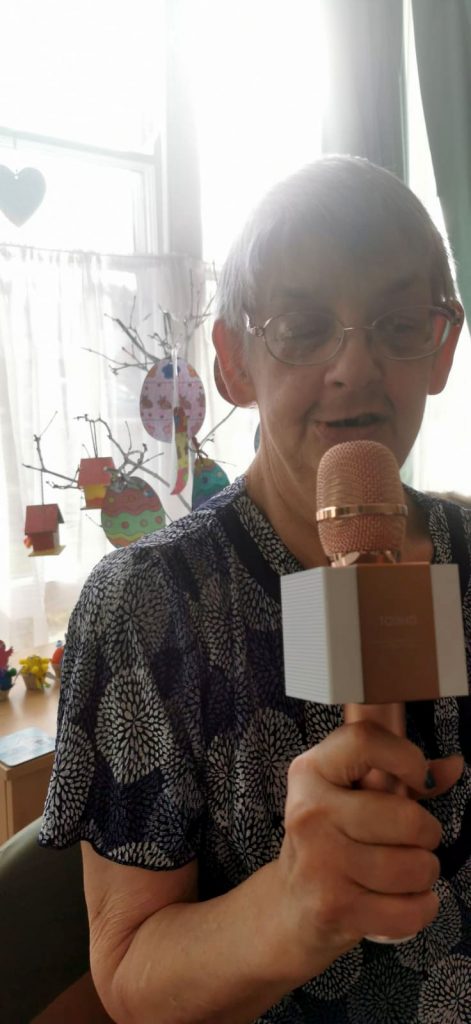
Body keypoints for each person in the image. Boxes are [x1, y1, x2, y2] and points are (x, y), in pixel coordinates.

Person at [39, 156, 471, 1024]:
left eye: (396, 324)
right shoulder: (146, 604)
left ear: (441, 345)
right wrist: (294, 907)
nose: (354, 366)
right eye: (302, 328)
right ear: (233, 364)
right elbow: (126, 972)